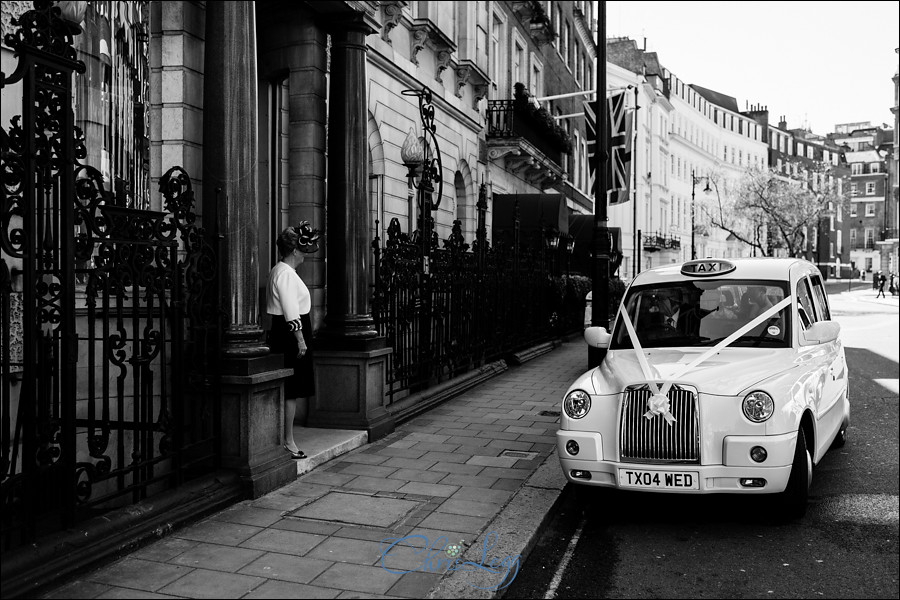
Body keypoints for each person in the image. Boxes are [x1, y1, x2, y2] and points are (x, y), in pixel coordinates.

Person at [266, 222, 320, 460]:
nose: (306, 254)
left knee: (291, 389)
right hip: (290, 334)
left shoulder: (282, 271)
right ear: (296, 251)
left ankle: (285, 438)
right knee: (292, 389)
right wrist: (300, 340)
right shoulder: (285, 274)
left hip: (287, 332)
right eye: (303, 249)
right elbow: (291, 311)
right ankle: (287, 441)